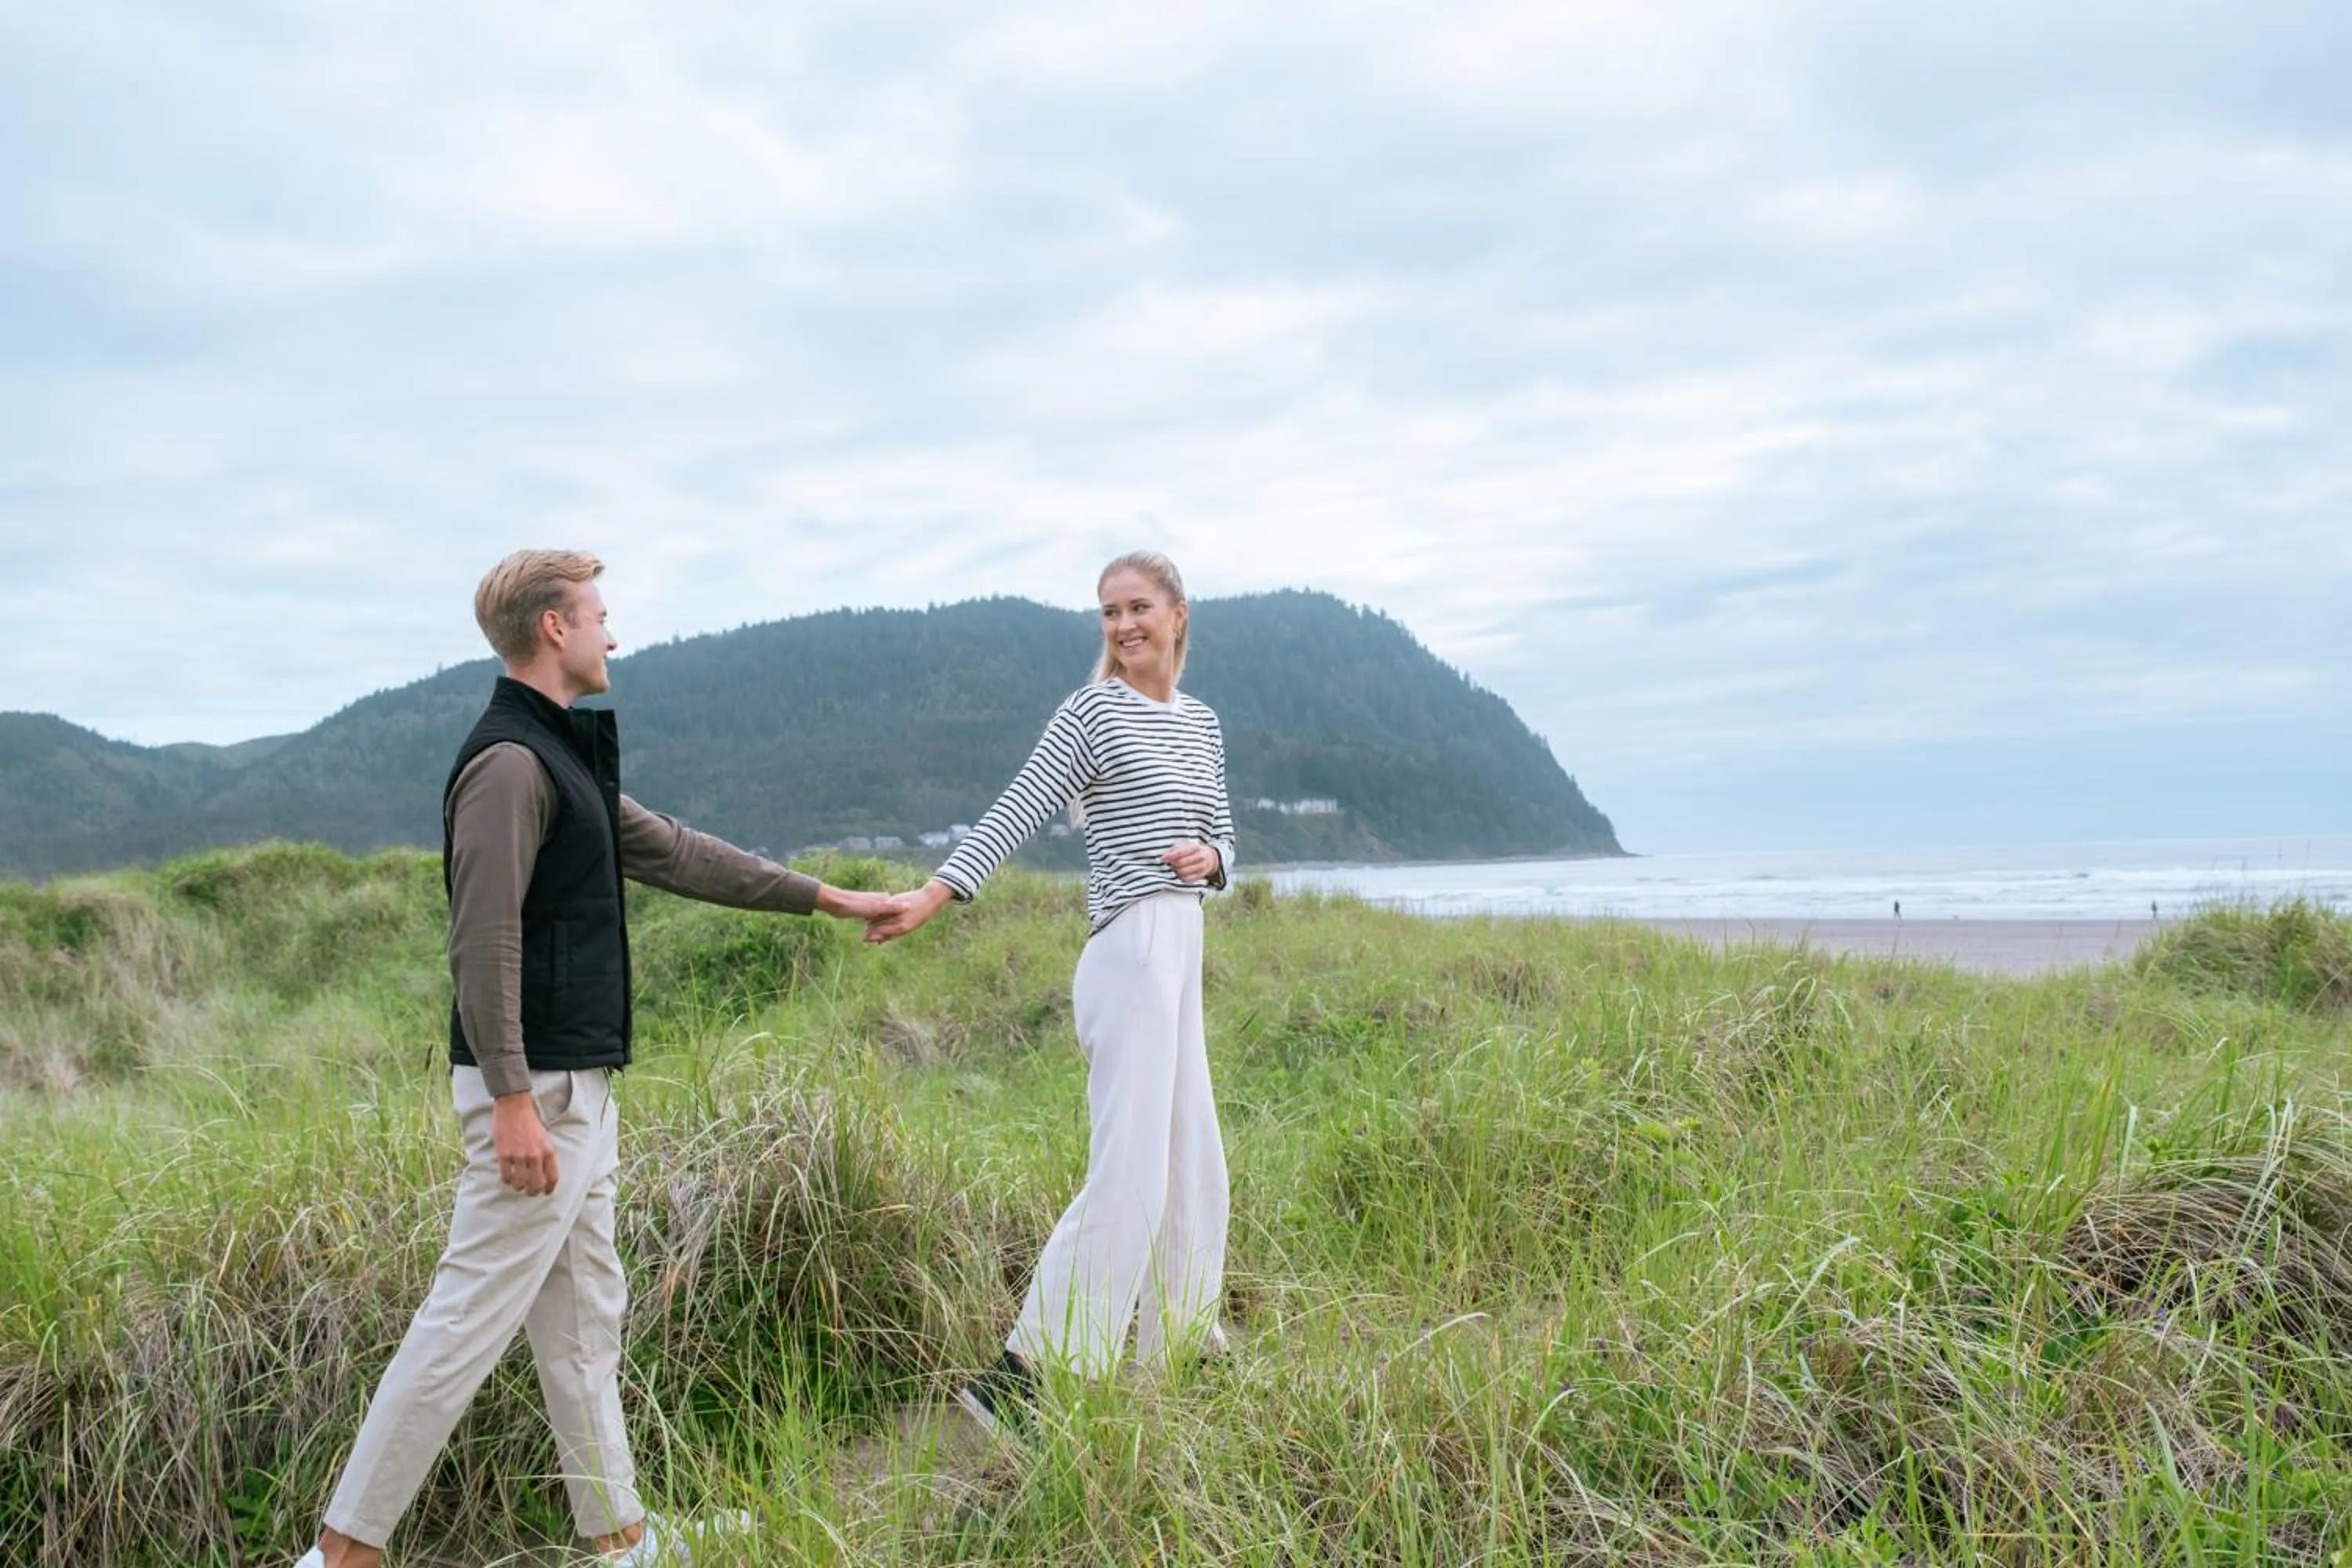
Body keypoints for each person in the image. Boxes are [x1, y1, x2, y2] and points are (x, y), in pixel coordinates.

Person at [296, 550, 891, 1568]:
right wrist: (517, 1101)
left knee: (583, 1316)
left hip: (578, 1087)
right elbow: (479, 941)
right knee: (463, 1324)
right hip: (540, 1092)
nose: (614, 635)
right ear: (555, 631)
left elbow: (673, 848)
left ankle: (619, 1540)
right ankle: (341, 1557)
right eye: (600, 617)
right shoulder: (510, 766)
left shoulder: (558, 759)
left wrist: (833, 900)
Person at [865, 550, 1237, 1430]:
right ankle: (1024, 1380)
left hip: (1183, 938)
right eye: (1109, 612)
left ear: (1179, 614)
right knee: (1131, 1172)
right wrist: (936, 892)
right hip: (1132, 946)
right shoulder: (1091, 712)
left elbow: (1226, 835)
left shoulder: (1203, 721)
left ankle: (1175, 1348)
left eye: (1138, 606)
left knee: (1193, 1162)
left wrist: (1216, 860)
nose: (1122, 625)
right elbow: (1018, 806)